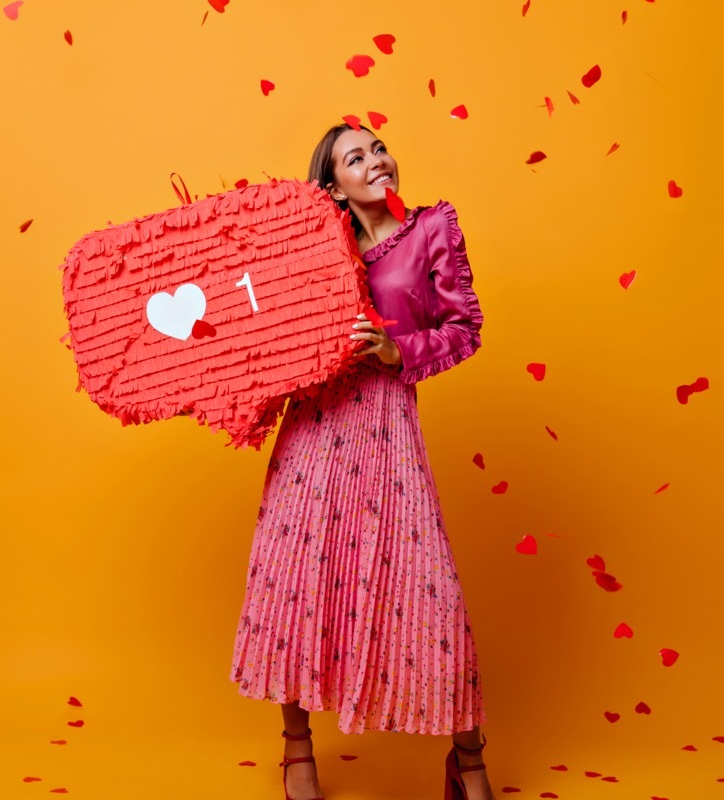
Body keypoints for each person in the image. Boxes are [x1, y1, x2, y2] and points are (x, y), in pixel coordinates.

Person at [229, 122, 495, 800]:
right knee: (294, 585)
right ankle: (296, 751)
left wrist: (394, 347)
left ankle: (469, 761)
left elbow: (464, 329)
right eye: (356, 157)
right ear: (335, 186)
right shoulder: (315, 249)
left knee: (427, 588)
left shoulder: (433, 229)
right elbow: (270, 327)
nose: (377, 161)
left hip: (386, 427)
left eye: (379, 147)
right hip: (315, 429)